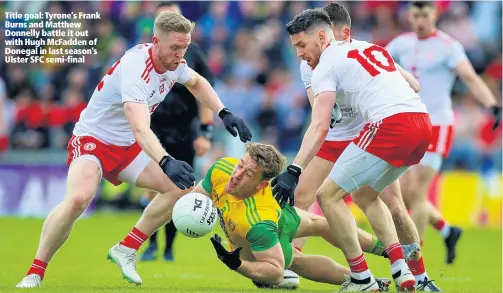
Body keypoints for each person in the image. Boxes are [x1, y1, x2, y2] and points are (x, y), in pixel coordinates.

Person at [16, 11, 252, 288]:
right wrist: (166, 161)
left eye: (185, 46)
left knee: (181, 188)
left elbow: (197, 83)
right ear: (155, 42)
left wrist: (224, 112)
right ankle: (35, 271)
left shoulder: (175, 63)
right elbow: (141, 128)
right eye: (175, 47)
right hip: (95, 140)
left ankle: (127, 248)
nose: (181, 53)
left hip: (127, 147)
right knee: (78, 200)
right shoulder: (136, 69)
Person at [274, 8, 433, 292]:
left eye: (301, 45)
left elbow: (319, 122)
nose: (299, 53)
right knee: (360, 195)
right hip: (418, 123)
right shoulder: (368, 48)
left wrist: (294, 168)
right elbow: (414, 85)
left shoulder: (325, 64)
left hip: (379, 129)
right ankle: (404, 272)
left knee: (330, 196)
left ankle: (364, 277)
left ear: (326, 36)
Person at [385, 1, 501, 265]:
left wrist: (492, 105)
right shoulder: (401, 43)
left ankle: (413, 262)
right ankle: (448, 230)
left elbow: (470, 77)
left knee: (416, 192)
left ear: (435, 15)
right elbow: (377, 65)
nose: (420, 21)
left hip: (437, 125)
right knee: (402, 194)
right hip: (408, 124)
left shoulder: (448, 46)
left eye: (424, 15)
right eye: (415, 16)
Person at [191, 142, 391, 291]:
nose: (236, 175)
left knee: (295, 259)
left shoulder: (257, 223)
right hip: (277, 213)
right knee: (315, 228)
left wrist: (238, 265)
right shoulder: (223, 168)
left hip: (268, 226)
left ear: (262, 185)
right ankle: (370, 278)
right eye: (240, 165)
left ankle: (389, 253)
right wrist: (190, 213)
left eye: (248, 174)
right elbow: (197, 198)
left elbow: (276, 273)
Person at [139, 1, 216, 263]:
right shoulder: (142, 56)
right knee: (152, 190)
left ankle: (169, 247)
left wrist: (206, 133)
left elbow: (205, 94)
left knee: (179, 189)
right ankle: (150, 244)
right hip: (153, 129)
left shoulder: (193, 55)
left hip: (184, 131)